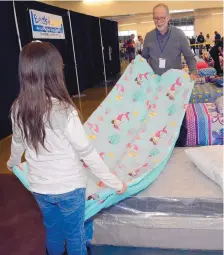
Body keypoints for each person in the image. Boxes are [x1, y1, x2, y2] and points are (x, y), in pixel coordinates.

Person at [7, 42, 127, 255]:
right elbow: (88, 154)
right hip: (70, 188)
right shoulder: (65, 111)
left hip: (40, 188)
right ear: (54, 72)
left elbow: (17, 143)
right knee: (75, 235)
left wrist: (13, 163)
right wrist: (115, 183)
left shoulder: (18, 108)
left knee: (52, 230)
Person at [142, 3, 197, 81]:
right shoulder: (149, 36)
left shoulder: (179, 34)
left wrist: (193, 72)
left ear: (168, 18)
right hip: (154, 83)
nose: (158, 21)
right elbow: (144, 58)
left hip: (174, 82)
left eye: (162, 18)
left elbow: (189, 57)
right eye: (156, 18)